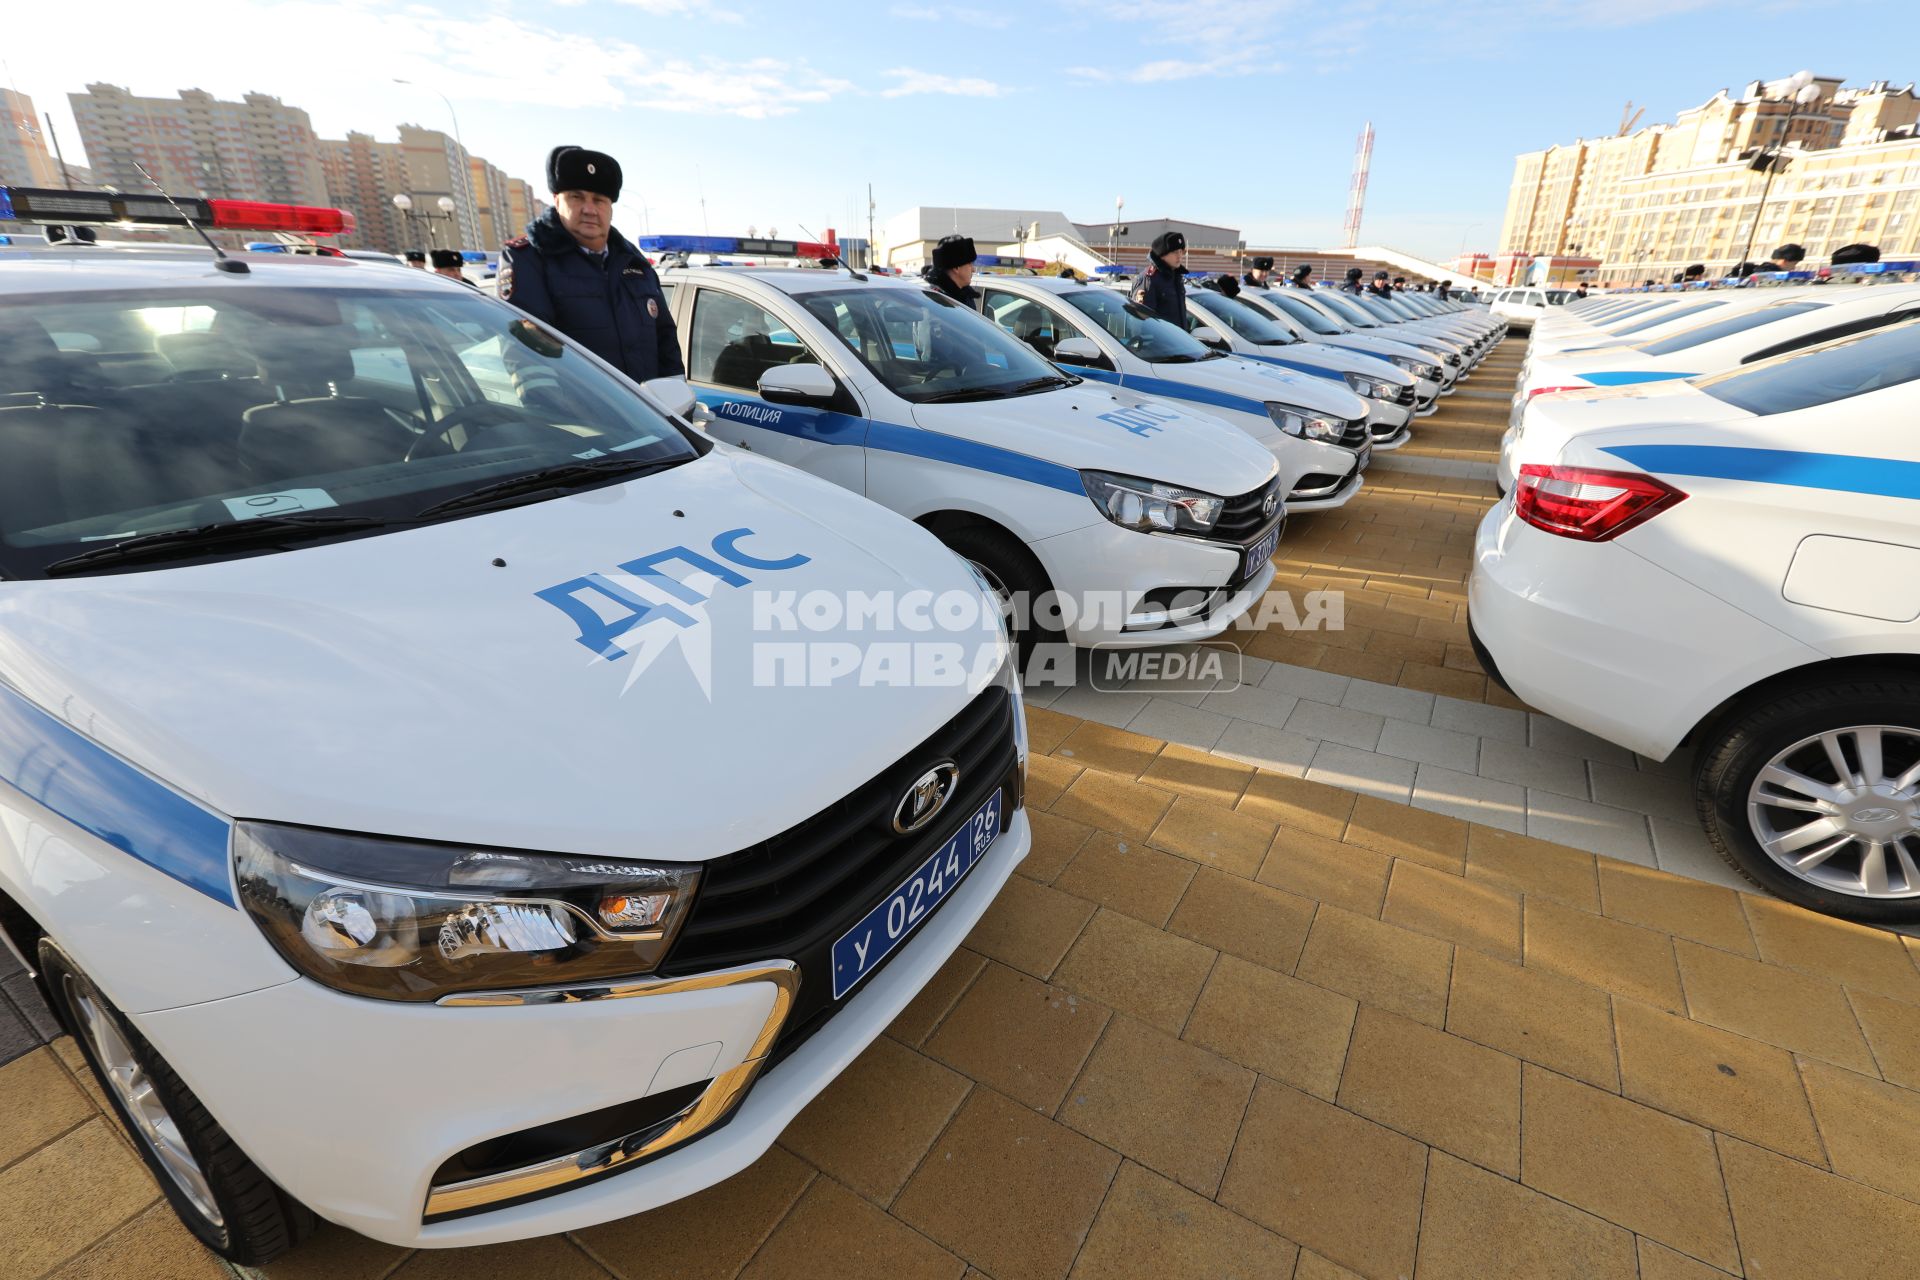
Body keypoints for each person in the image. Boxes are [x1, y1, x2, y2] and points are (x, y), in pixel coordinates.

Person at [498, 146, 684, 383]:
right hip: (579, 417)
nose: (589, 209)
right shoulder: (529, 260)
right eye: (576, 197)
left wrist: (676, 400)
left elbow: (665, 338)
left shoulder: (633, 261)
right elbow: (526, 353)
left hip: (646, 415)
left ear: (610, 207)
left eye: (599, 200)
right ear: (556, 200)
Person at [1137, 231, 1188, 325]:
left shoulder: (1176, 277)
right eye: (1175, 252)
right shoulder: (1149, 279)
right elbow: (1143, 319)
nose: (1179, 256)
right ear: (1162, 255)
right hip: (1158, 339)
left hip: (1179, 338)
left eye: (1181, 251)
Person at [924, 234, 981, 308]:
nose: (973, 270)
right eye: (969, 264)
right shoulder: (937, 300)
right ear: (956, 268)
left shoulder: (966, 296)